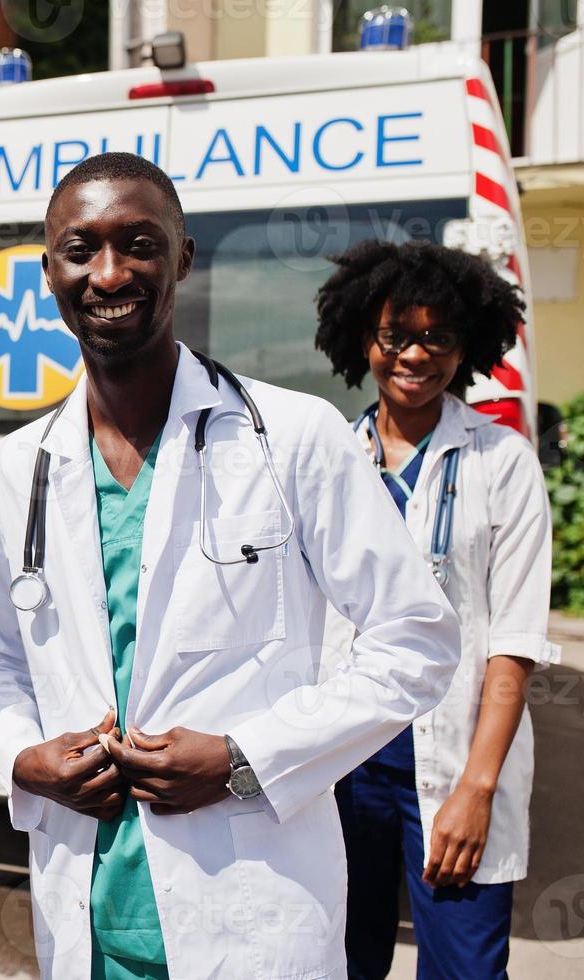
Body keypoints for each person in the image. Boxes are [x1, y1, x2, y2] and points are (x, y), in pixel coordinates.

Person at [0, 152, 463, 980]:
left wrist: (243, 757)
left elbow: (416, 641)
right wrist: (20, 756)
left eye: (139, 244)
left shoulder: (293, 437)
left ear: (181, 258)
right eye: (80, 250)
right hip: (86, 907)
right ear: (48, 272)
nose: (108, 273)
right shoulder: (14, 472)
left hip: (254, 903)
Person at [315, 240, 554, 979]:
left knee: (464, 971)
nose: (413, 355)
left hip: (454, 766)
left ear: (465, 347)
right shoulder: (329, 455)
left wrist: (475, 790)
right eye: (395, 334)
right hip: (341, 765)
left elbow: (512, 641)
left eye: (436, 336)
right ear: (364, 338)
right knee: (338, 963)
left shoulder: (500, 460)